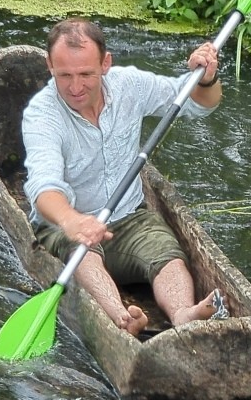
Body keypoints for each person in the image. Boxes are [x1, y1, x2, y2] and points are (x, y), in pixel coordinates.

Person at [21, 18, 223, 336]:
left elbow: (199, 104)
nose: (75, 87)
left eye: (86, 74)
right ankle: (123, 319)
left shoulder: (129, 85)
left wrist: (207, 80)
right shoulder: (42, 116)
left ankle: (183, 314)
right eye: (65, 75)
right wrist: (73, 221)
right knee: (82, 254)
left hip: (130, 217)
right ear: (50, 66)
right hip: (69, 227)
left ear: (105, 64)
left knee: (167, 253)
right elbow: (43, 187)